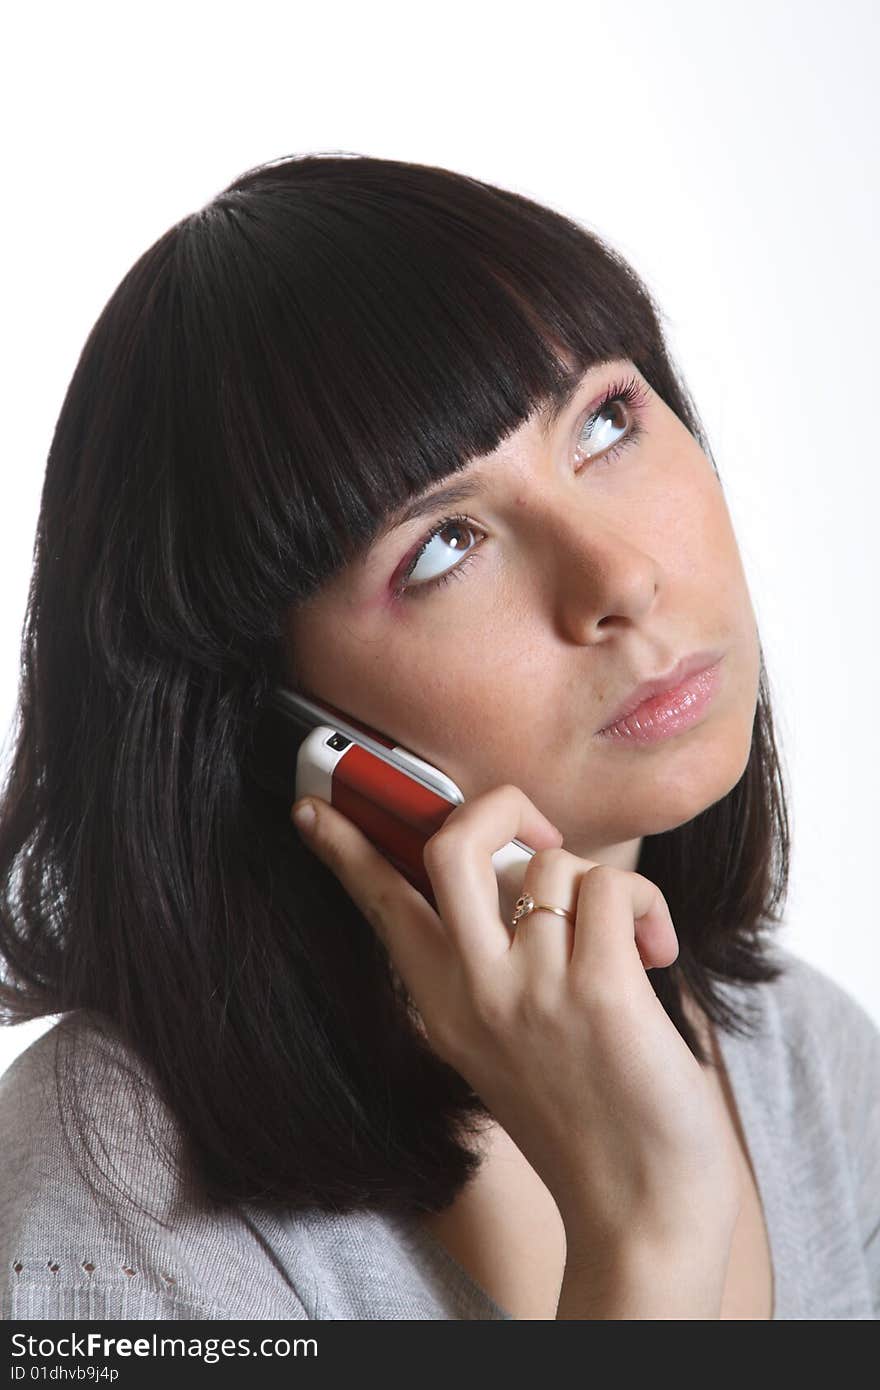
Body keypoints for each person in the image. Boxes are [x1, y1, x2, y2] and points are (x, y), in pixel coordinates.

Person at [0, 153, 877, 1321]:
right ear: (270, 716)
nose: (618, 576)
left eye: (606, 422)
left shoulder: (805, 1059)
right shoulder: (113, 1193)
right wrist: (644, 1238)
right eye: (444, 546)